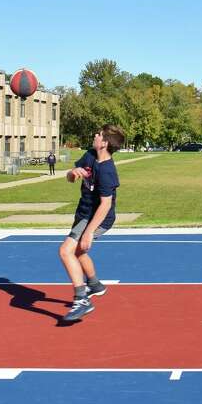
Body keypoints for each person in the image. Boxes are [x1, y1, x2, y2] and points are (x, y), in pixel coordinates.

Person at [59, 125, 123, 322]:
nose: (94, 135)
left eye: (99, 134)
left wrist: (89, 232)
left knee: (65, 251)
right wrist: (72, 172)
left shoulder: (107, 171)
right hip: (84, 213)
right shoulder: (89, 156)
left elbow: (105, 204)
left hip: (98, 218)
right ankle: (94, 285)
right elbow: (70, 178)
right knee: (78, 252)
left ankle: (81, 299)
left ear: (104, 143)